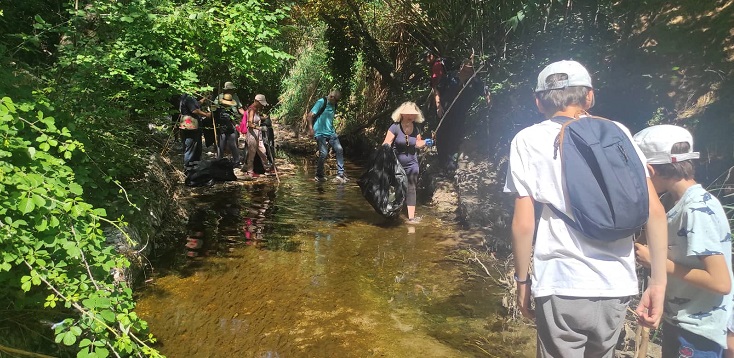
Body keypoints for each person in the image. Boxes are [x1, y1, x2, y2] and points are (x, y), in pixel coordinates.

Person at [503, 60, 668, 357]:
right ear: (589, 96)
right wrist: (658, 282)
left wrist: (522, 281)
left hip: (561, 281)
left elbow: (524, 223)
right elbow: (654, 211)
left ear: (538, 102)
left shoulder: (526, 140)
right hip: (617, 285)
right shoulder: (617, 131)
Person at [633, 124, 733, 357]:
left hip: (699, 330)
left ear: (651, 170)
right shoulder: (669, 202)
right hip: (679, 319)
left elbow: (721, 282)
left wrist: (658, 263)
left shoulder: (697, 209)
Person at [434, 57, 491, 172]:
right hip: (444, 112)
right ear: (461, 67)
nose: (468, 71)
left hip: (459, 115)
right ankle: (442, 162)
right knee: (442, 137)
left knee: (454, 137)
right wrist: (438, 105)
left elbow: (485, 91)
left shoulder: (474, 81)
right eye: (466, 68)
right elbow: (437, 89)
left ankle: (450, 165)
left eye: (470, 69)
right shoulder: (450, 77)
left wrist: (489, 100)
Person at [381, 102, 433, 224]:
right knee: (398, 187)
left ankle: (411, 218)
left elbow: (418, 143)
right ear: (403, 114)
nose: (412, 116)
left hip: (412, 163)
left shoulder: (416, 128)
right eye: (410, 114)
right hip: (396, 164)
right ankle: (395, 212)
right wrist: (387, 147)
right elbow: (386, 143)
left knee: (411, 188)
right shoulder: (394, 127)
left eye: (414, 114)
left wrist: (426, 142)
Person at [308, 90, 347, 183]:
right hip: (319, 132)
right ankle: (319, 175)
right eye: (336, 100)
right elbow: (309, 115)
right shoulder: (321, 102)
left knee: (339, 149)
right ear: (332, 97)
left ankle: (340, 174)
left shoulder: (334, 104)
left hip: (330, 132)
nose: (337, 102)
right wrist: (310, 129)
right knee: (324, 153)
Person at [178, 93, 211, 172]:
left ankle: (195, 167)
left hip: (187, 124)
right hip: (190, 125)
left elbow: (195, 105)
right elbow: (194, 110)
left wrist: (204, 99)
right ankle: (188, 169)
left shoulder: (185, 97)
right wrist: (206, 114)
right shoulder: (189, 97)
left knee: (196, 148)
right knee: (190, 148)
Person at [243, 94, 272, 179]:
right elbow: (250, 123)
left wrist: (264, 118)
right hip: (252, 134)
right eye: (261, 103)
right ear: (257, 101)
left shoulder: (256, 109)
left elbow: (257, 119)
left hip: (258, 134)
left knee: (263, 151)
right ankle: (250, 172)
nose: (262, 105)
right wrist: (260, 127)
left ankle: (267, 169)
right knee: (251, 153)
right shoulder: (251, 109)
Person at [213, 93, 241, 165]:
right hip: (221, 129)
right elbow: (214, 117)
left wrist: (237, 126)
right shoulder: (218, 109)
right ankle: (219, 161)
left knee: (233, 145)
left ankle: (237, 161)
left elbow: (234, 119)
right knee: (220, 146)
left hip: (230, 128)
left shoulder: (231, 109)